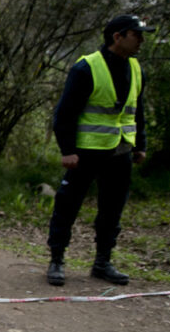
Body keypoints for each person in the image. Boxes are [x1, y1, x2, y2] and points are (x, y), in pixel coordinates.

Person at [46, 14, 153, 286]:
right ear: (118, 37)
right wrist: (67, 150)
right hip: (85, 153)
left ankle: (102, 262)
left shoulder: (136, 68)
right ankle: (57, 259)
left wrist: (140, 144)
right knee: (67, 206)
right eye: (136, 34)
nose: (141, 40)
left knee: (112, 209)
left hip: (120, 152)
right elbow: (64, 114)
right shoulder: (86, 67)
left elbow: (137, 110)